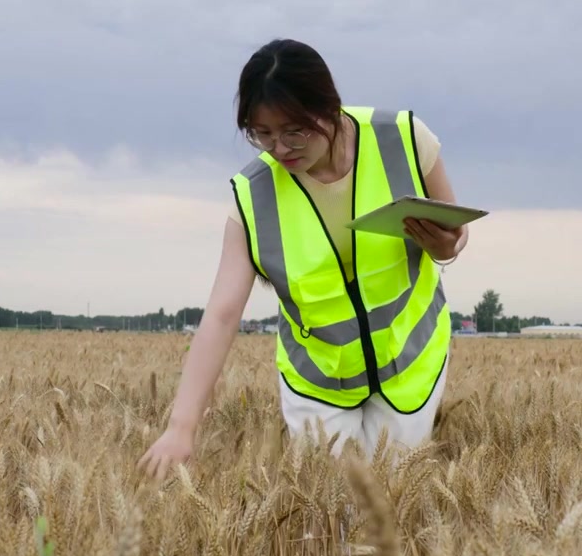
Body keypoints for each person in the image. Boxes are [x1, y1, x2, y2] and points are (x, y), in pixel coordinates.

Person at [137, 38, 469, 481]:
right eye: (262, 134)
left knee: (393, 493)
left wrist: (446, 247)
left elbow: (454, 232)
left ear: (329, 107)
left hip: (410, 359)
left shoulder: (404, 138)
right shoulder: (252, 196)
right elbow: (221, 314)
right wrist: (181, 427)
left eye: (293, 131)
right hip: (319, 377)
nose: (279, 148)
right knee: (333, 506)